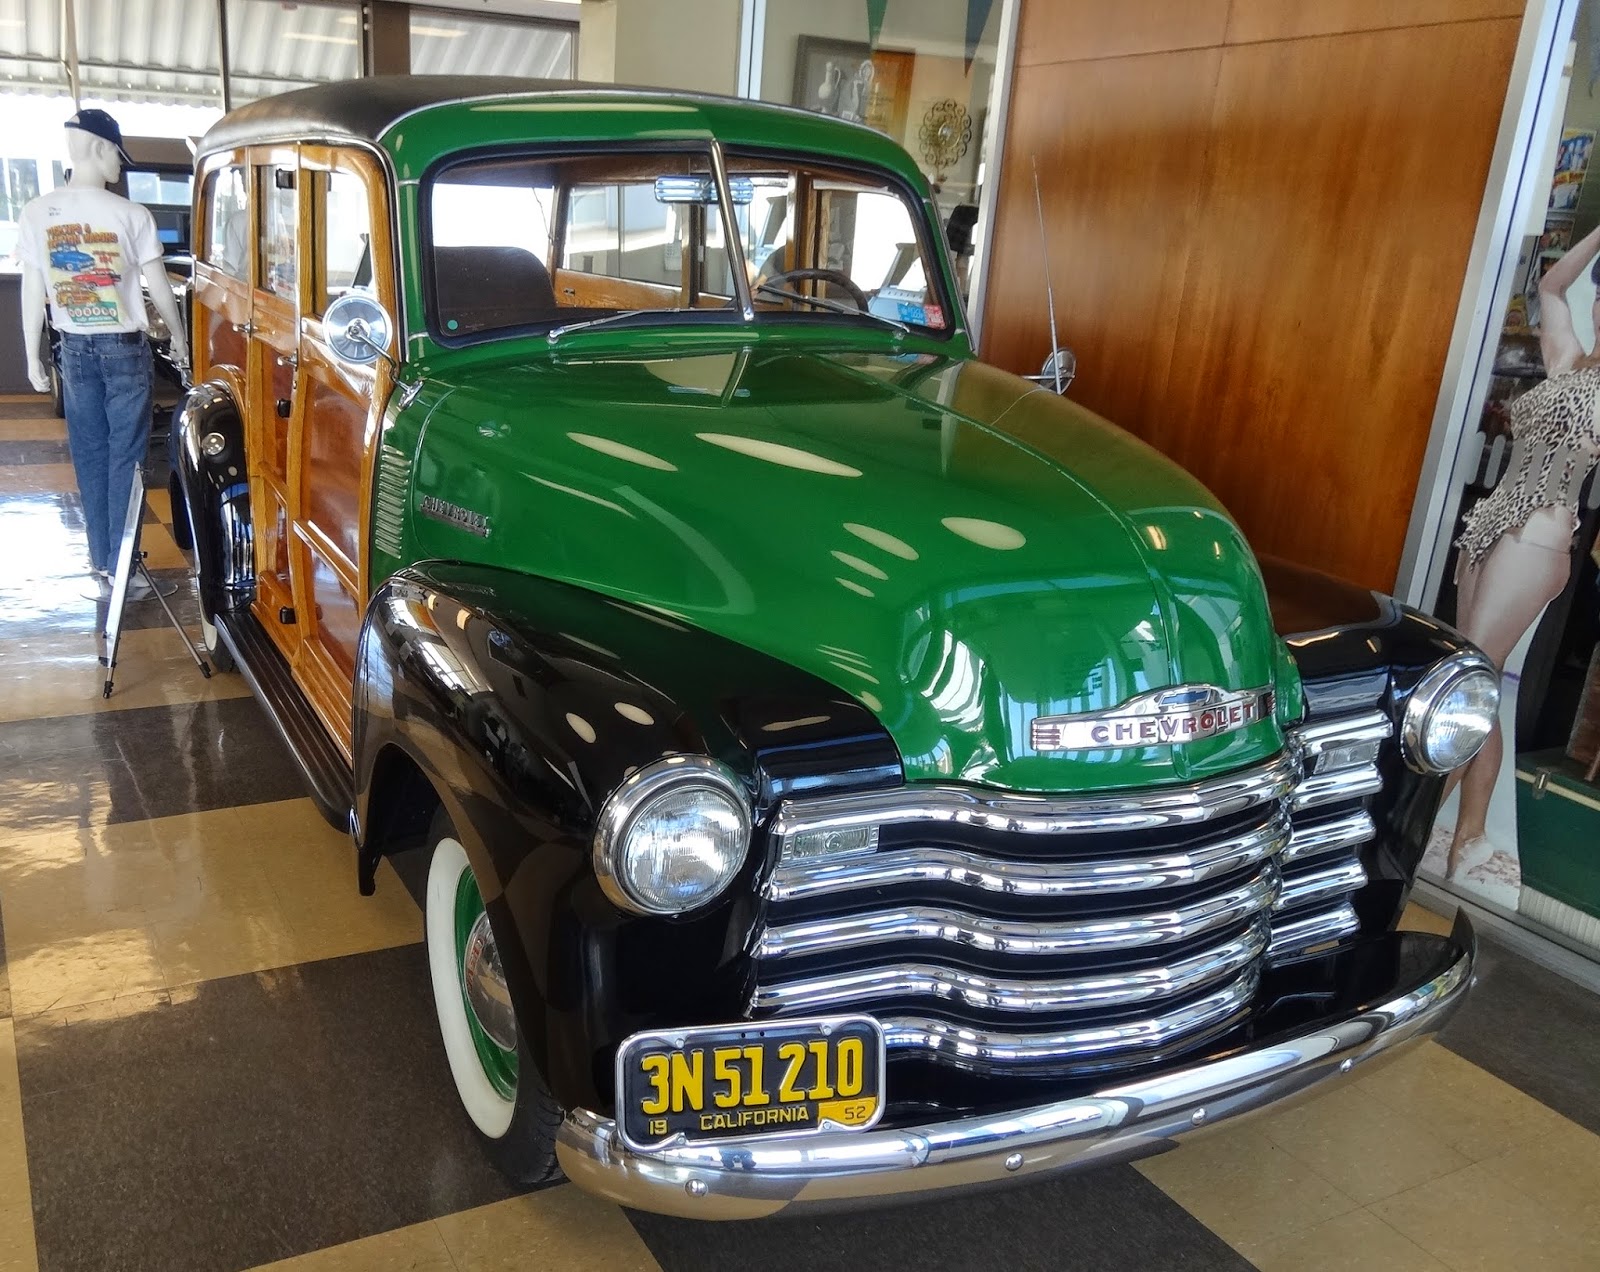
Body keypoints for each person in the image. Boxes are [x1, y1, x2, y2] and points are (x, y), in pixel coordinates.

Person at [1444, 220, 1600, 879]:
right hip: (1492, 522)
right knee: (1467, 679)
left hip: (1539, 531)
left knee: (1467, 681)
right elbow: (1552, 285)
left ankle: (1433, 820)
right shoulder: (1570, 363)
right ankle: (1466, 835)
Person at [14, 108, 188, 597]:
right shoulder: (131, 215)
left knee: (89, 457)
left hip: (72, 350)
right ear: (97, 146)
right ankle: (123, 565)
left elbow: (33, 292)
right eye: (116, 152)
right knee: (127, 460)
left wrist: (33, 355)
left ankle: (105, 564)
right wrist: (179, 335)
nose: (120, 164)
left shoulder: (37, 212)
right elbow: (157, 286)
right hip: (124, 351)